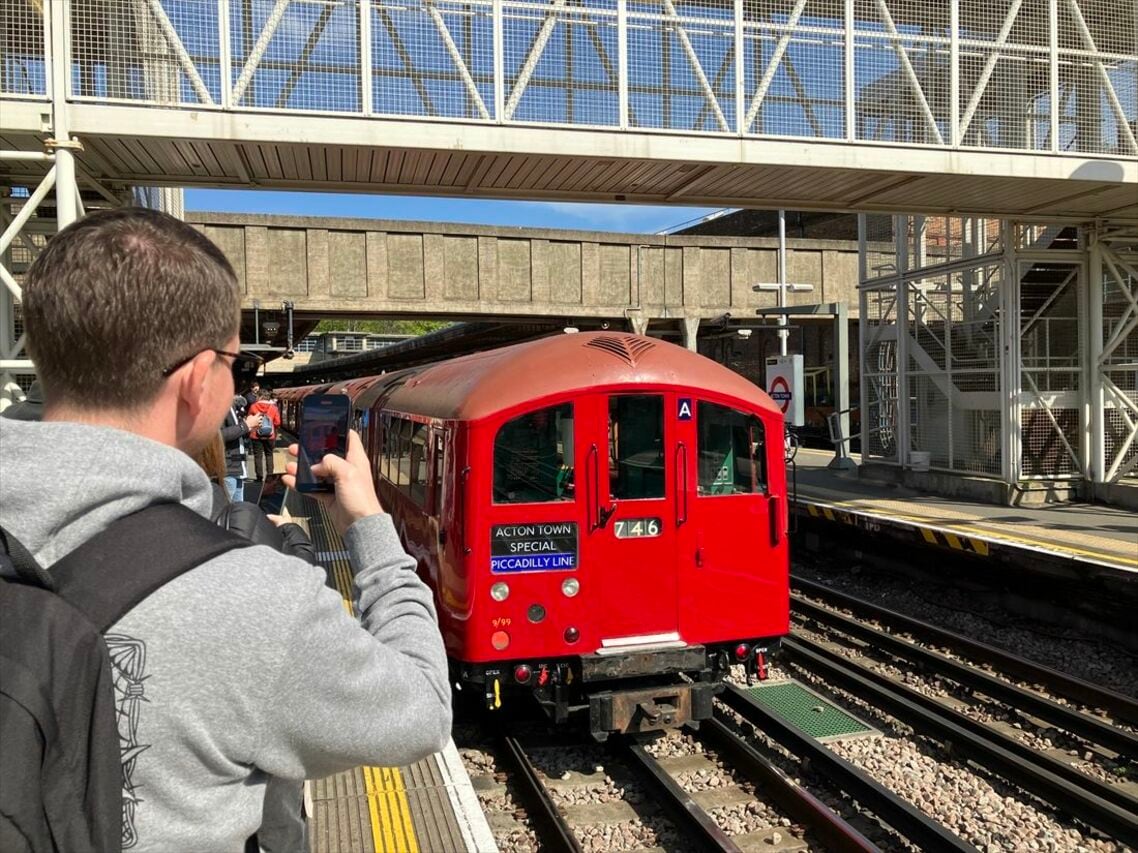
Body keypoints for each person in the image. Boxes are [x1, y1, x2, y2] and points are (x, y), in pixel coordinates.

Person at [0, 208, 451, 852]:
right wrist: (370, 529)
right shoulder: (253, 598)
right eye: (233, 362)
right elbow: (421, 712)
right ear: (194, 381)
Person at [221, 396, 263, 502]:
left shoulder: (232, 408)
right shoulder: (218, 407)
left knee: (237, 511)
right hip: (228, 469)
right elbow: (218, 436)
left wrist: (249, 428)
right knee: (225, 509)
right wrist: (246, 425)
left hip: (238, 468)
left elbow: (236, 435)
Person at [248, 388, 281, 482]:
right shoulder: (274, 408)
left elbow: (249, 419)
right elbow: (278, 422)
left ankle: (259, 477)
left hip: (256, 434)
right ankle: (270, 476)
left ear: (260, 396)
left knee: (258, 455)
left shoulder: (253, 406)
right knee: (269, 454)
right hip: (270, 435)